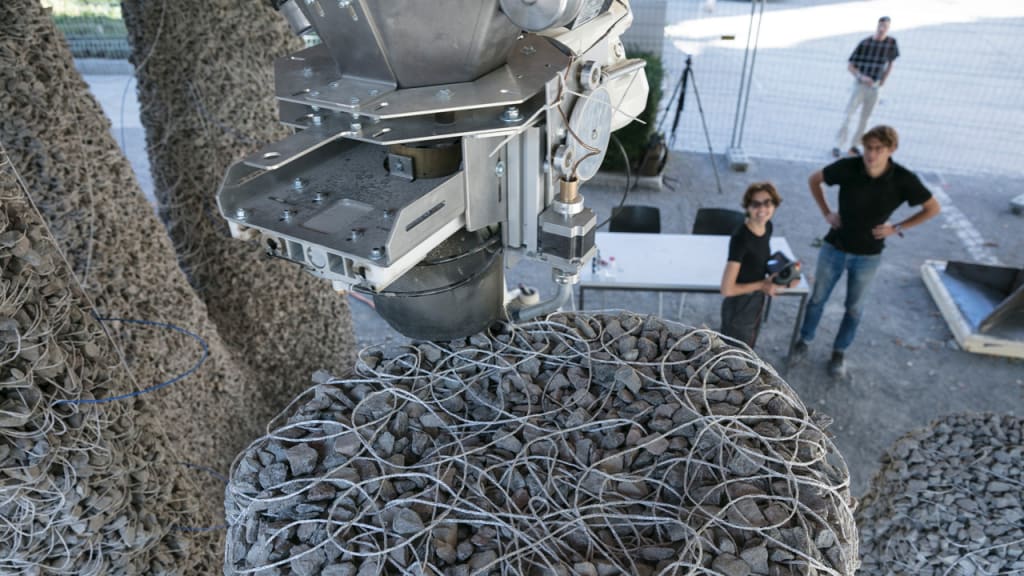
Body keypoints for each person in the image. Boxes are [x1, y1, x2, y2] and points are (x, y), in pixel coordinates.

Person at [793, 125, 941, 378]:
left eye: (877, 149)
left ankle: (839, 351)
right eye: (867, 148)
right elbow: (814, 179)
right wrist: (826, 212)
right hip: (834, 247)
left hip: (868, 255)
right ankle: (804, 341)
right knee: (818, 299)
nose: (871, 155)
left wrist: (897, 227)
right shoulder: (849, 167)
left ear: (891, 149)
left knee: (854, 308)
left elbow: (932, 207)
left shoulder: (903, 179)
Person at [719, 182, 797, 348]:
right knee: (735, 356)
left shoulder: (767, 226)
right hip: (739, 306)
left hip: (755, 299)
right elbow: (727, 289)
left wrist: (785, 274)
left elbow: (759, 258)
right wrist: (763, 285)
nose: (762, 210)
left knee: (749, 345)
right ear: (747, 207)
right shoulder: (740, 239)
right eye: (756, 204)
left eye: (767, 203)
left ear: (774, 205)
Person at [833, 16, 899, 158]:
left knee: (866, 118)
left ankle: (854, 146)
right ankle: (838, 145)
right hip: (861, 85)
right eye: (880, 26)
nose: (882, 29)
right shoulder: (865, 43)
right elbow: (850, 66)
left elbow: (890, 64)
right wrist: (861, 77)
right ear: (877, 26)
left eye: (885, 27)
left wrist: (883, 81)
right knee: (849, 114)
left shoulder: (891, 43)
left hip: (875, 87)